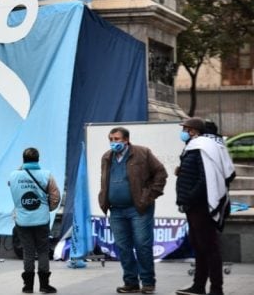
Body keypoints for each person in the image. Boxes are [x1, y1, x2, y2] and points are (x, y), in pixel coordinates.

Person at [99, 127, 167, 294]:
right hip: (116, 210)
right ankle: (130, 282)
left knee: (142, 245)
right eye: (111, 139)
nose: (113, 142)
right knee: (123, 247)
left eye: (117, 139)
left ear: (126, 140)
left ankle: (148, 282)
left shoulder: (142, 153)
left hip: (139, 209)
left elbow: (160, 173)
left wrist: (148, 196)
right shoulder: (107, 157)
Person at [175, 118, 236, 295]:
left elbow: (206, 180)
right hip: (194, 205)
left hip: (201, 205)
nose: (183, 132)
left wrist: (189, 198)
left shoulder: (201, 147)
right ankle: (198, 285)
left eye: (185, 129)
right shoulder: (194, 147)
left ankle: (216, 289)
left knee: (209, 247)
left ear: (194, 131)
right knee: (199, 246)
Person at [8, 148, 61, 294]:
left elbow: (11, 186)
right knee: (43, 251)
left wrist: (22, 168)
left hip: (22, 220)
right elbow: (56, 197)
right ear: (38, 159)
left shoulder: (13, 176)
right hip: (41, 220)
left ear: (23, 159)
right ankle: (44, 285)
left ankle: (28, 286)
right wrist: (47, 209)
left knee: (28, 252)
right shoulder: (46, 175)